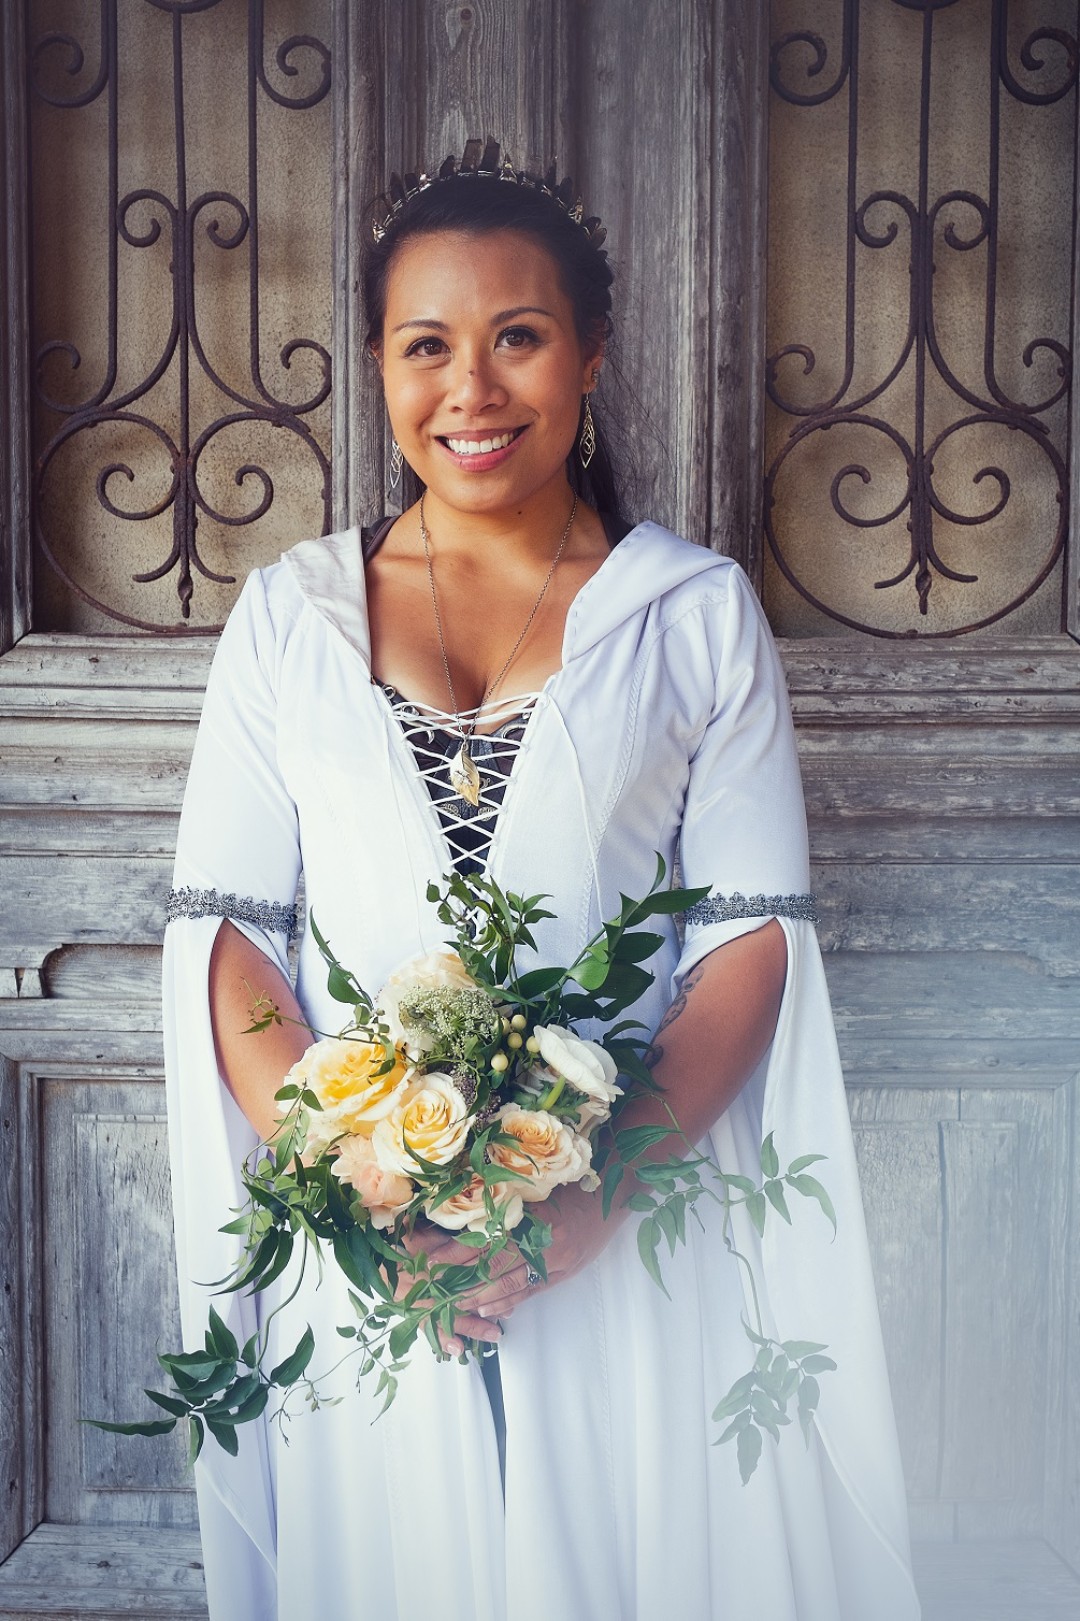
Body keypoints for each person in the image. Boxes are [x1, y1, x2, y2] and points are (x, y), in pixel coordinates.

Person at [163, 139, 921, 1620]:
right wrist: (361, 1190)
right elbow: (233, 939)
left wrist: (599, 1191)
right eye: (427, 345)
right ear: (377, 363)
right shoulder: (286, 621)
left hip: (630, 1229)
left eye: (517, 337)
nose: (473, 389)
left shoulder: (694, 617)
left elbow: (749, 937)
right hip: (374, 1258)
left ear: (589, 355)